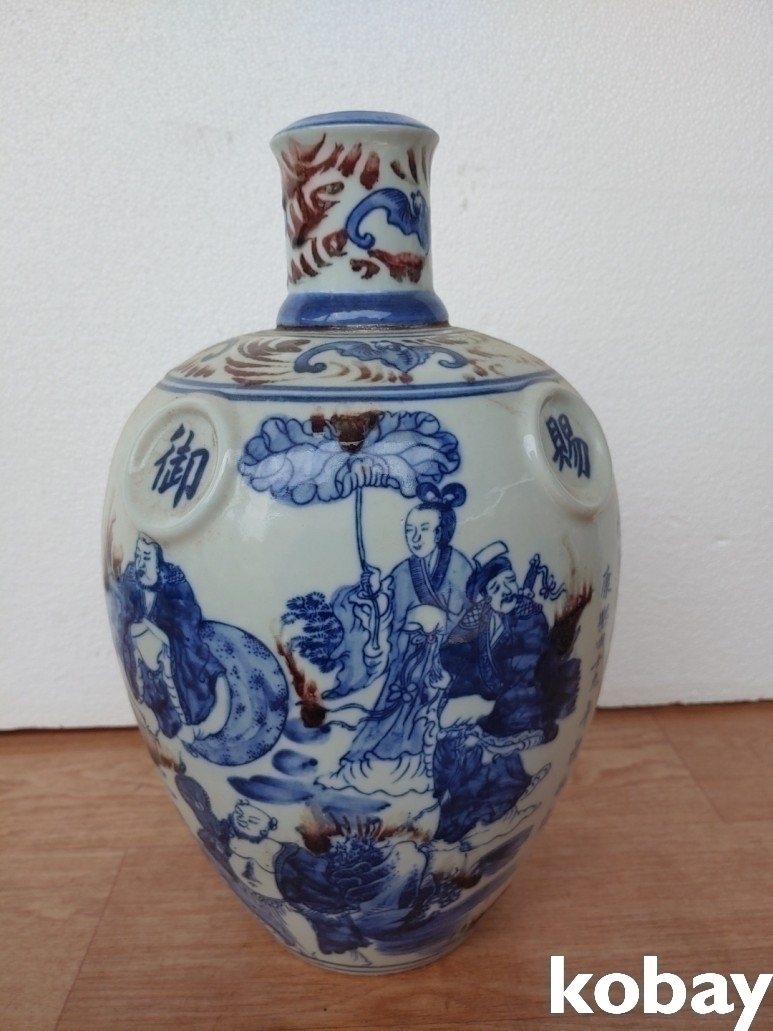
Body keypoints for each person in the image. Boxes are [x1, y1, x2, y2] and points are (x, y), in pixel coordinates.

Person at [323, 483, 473, 800]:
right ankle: (359, 768)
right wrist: (375, 591)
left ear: (440, 533)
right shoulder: (404, 571)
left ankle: (418, 772)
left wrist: (438, 629)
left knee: (424, 717)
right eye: (409, 530)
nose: (414, 537)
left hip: (441, 660)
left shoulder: (460, 566)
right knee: (387, 711)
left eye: (423, 529)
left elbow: (469, 619)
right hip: (404, 659)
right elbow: (387, 615)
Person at [432, 541, 581, 843]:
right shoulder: (480, 618)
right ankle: (443, 810)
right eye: (496, 587)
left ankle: (466, 821)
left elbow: (521, 670)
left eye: (510, 581)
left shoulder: (529, 619)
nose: (507, 590)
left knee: (478, 757)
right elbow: (451, 654)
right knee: (450, 745)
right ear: (486, 596)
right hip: (491, 706)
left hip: (523, 707)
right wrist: (466, 690)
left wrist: (481, 698)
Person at [112, 534, 225, 739]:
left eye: (147, 558)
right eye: (138, 556)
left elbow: (187, 618)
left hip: (176, 646)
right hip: (144, 650)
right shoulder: (132, 578)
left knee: (198, 668)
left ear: (159, 564)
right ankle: (151, 708)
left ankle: (193, 718)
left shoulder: (174, 583)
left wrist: (159, 632)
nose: (140, 564)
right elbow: (123, 611)